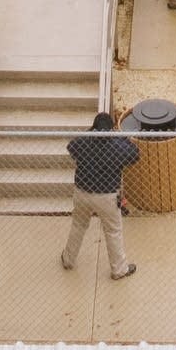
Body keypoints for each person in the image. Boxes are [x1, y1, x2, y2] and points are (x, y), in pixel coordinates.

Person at [60, 113, 139, 279]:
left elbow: (71, 148)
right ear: (111, 129)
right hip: (107, 196)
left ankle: (68, 259)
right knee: (113, 231)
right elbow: (134, 154)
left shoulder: (84, 142)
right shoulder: (117, 146)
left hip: (82, 193)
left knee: (78, 225)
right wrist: (120, 136)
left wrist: (90, 132)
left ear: (94, 127)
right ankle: (119, 270)